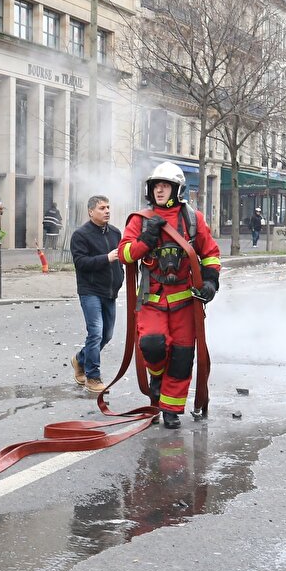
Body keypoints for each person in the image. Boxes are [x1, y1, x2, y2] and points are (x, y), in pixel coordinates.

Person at [119, 162, 221, 429]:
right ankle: (156, 379)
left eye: (164, 186)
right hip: (152, 301)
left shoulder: (192, 219)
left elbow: (210, 253)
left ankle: (171, 410)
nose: (159, 190)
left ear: (176, 189)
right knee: (152, 346)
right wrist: (146, 240)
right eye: (155, 186)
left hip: (185, 302)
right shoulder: (140, 220)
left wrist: (210, 282)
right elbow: (125, 254)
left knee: (182, 357)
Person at [70, 195, 124, 394]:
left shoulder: (116, 233)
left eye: (108, 207)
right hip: (90, 291)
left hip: (110, 291)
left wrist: (120, 277)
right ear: (91, 211)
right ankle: (93, 377)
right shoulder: (81, 235)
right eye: (102, 208)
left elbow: (121, 260)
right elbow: (80, 263)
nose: (107, 211)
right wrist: (106, 258)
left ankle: (80, 360)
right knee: (96, 333)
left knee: (107, 335)